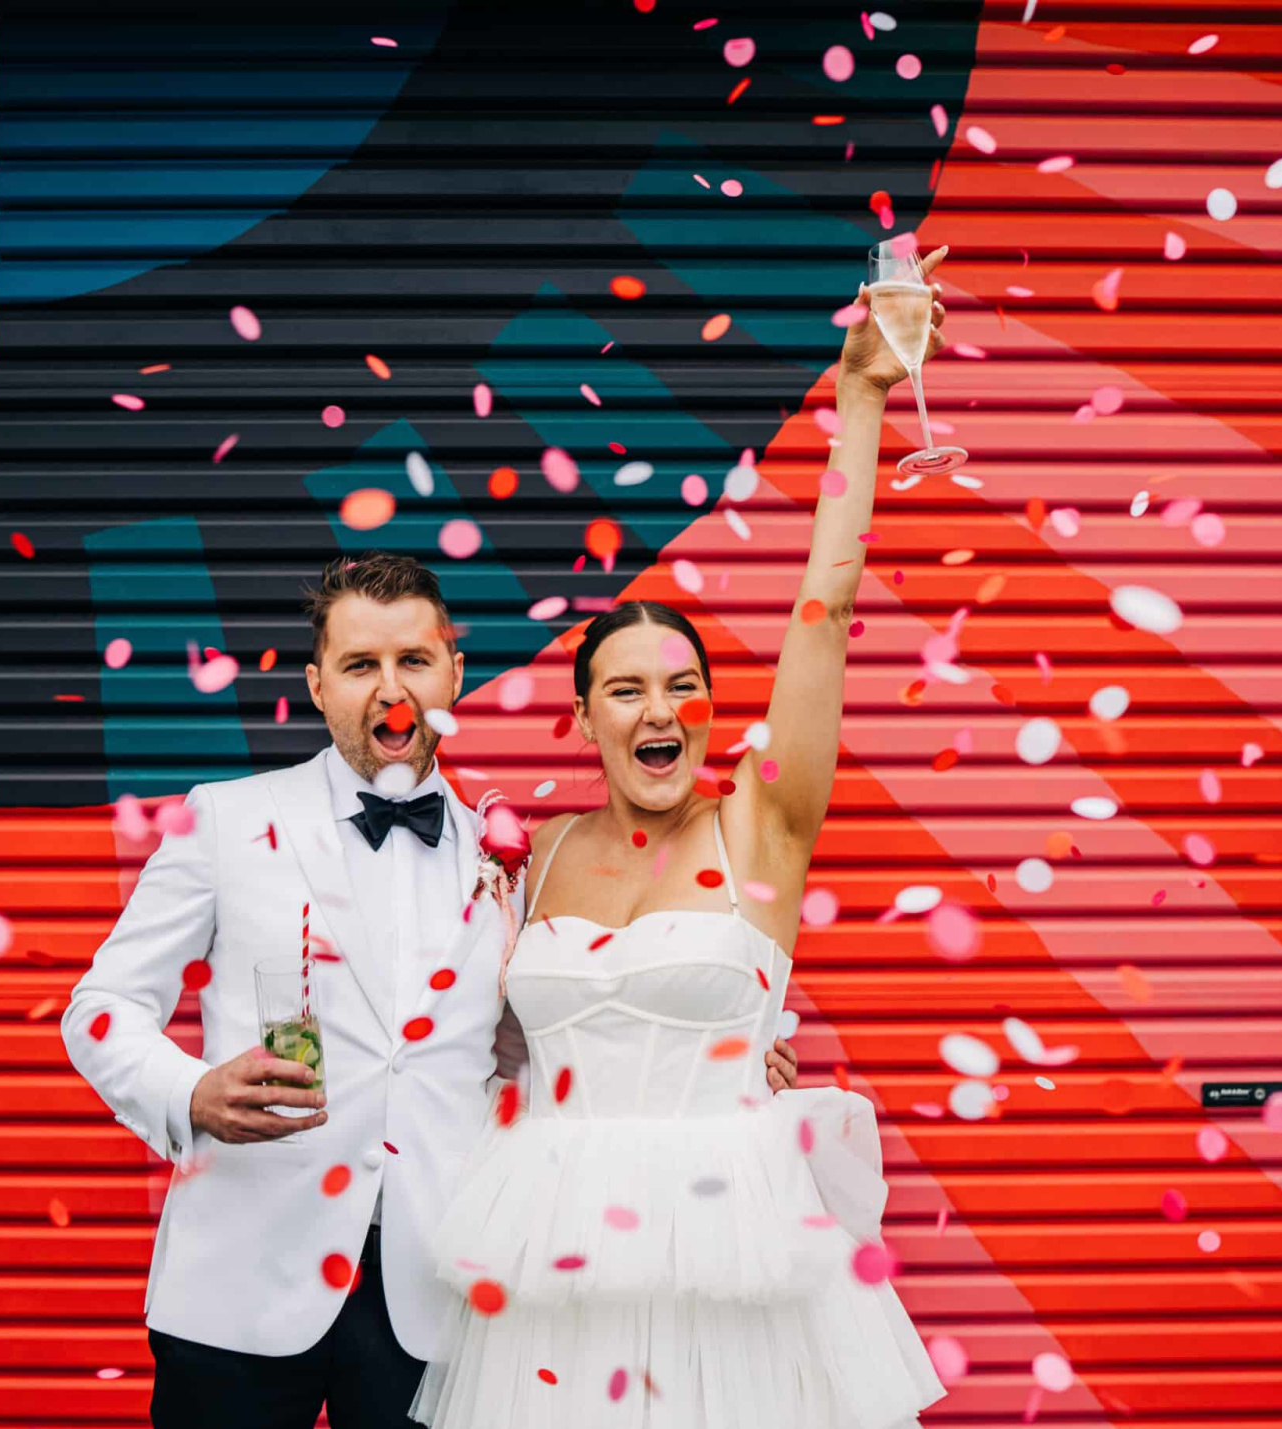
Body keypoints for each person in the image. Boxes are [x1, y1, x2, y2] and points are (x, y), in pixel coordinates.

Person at [61, 550, 801, 1429]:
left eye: (413, 660)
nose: (390, 689)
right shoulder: (224, 818)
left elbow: (544, 1039)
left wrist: (709, 1053)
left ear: (455, 670)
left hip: (438, 1292)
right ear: (317, 683)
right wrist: (190, 1091)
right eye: (360, 665)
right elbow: (101, 1008)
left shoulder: (510, 856)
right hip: (241, 1288)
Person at [409, 250, 957, 1427]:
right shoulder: (533, 852)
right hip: (551, 1250)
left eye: (681, 685)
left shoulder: (761, 824)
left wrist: (858, 396)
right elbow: (473, 1046)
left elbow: (827, 607)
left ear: (711, 706)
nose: (657, 712)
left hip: (733, 1246)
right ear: (583, 715)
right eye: (624, 690)